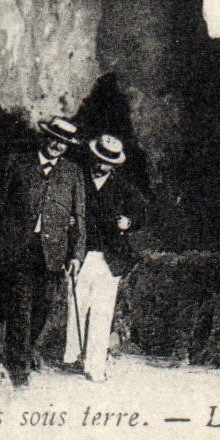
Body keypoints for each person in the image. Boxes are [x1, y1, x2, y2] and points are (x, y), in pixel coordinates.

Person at [0, 115, 88, 386]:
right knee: (20, 309)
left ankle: (18, 355)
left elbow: (79, 217)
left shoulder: (72, 172)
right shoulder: (18, 164)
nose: (58, 145)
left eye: (64, 143)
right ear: (45, 137)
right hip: (19, 247)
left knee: (43, 310)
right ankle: (19, 373)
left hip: (53, 252)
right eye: (54, 139)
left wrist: (77, 255)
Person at [63, 133, 147, 382]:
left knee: (102, 311)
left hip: (110, 258)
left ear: (115, 164)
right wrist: (67, 221)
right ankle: (72, 356)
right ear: (93, 157)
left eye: (108, 162)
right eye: (99, 159)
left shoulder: (124, 188)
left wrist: (128, 222)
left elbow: (141, 213)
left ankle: (95, 365)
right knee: (75, 306)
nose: (102, 166)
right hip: (80, 254)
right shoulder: (78, 180)